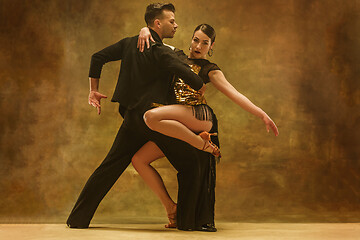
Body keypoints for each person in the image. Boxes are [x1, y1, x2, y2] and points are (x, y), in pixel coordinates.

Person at [67, 3, 217, 232]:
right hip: (153, 120)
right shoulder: (163, 53)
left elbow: (97, 57)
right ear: (157, 23)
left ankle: (77, 219)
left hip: (131, 118)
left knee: (111, 165)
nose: (176, 25)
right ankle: (185, 220)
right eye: (171, 21)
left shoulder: (130, 43)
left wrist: (93, 89)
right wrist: (198, 86)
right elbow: (195, 81)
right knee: (190, 164)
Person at [131, 23, 279, 228]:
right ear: (191, 39)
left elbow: (234, 94)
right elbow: (155, 42)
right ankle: (171, 209)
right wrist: (145, 30)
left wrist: (261, 114)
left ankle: (202, 143)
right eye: (196, 40)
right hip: (178, 120)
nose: (198, 46)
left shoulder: (210, 69)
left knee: (151, 117)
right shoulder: (176, 55)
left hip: (199, 116)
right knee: (139, 159)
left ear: (211, 46)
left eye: (205, 43)